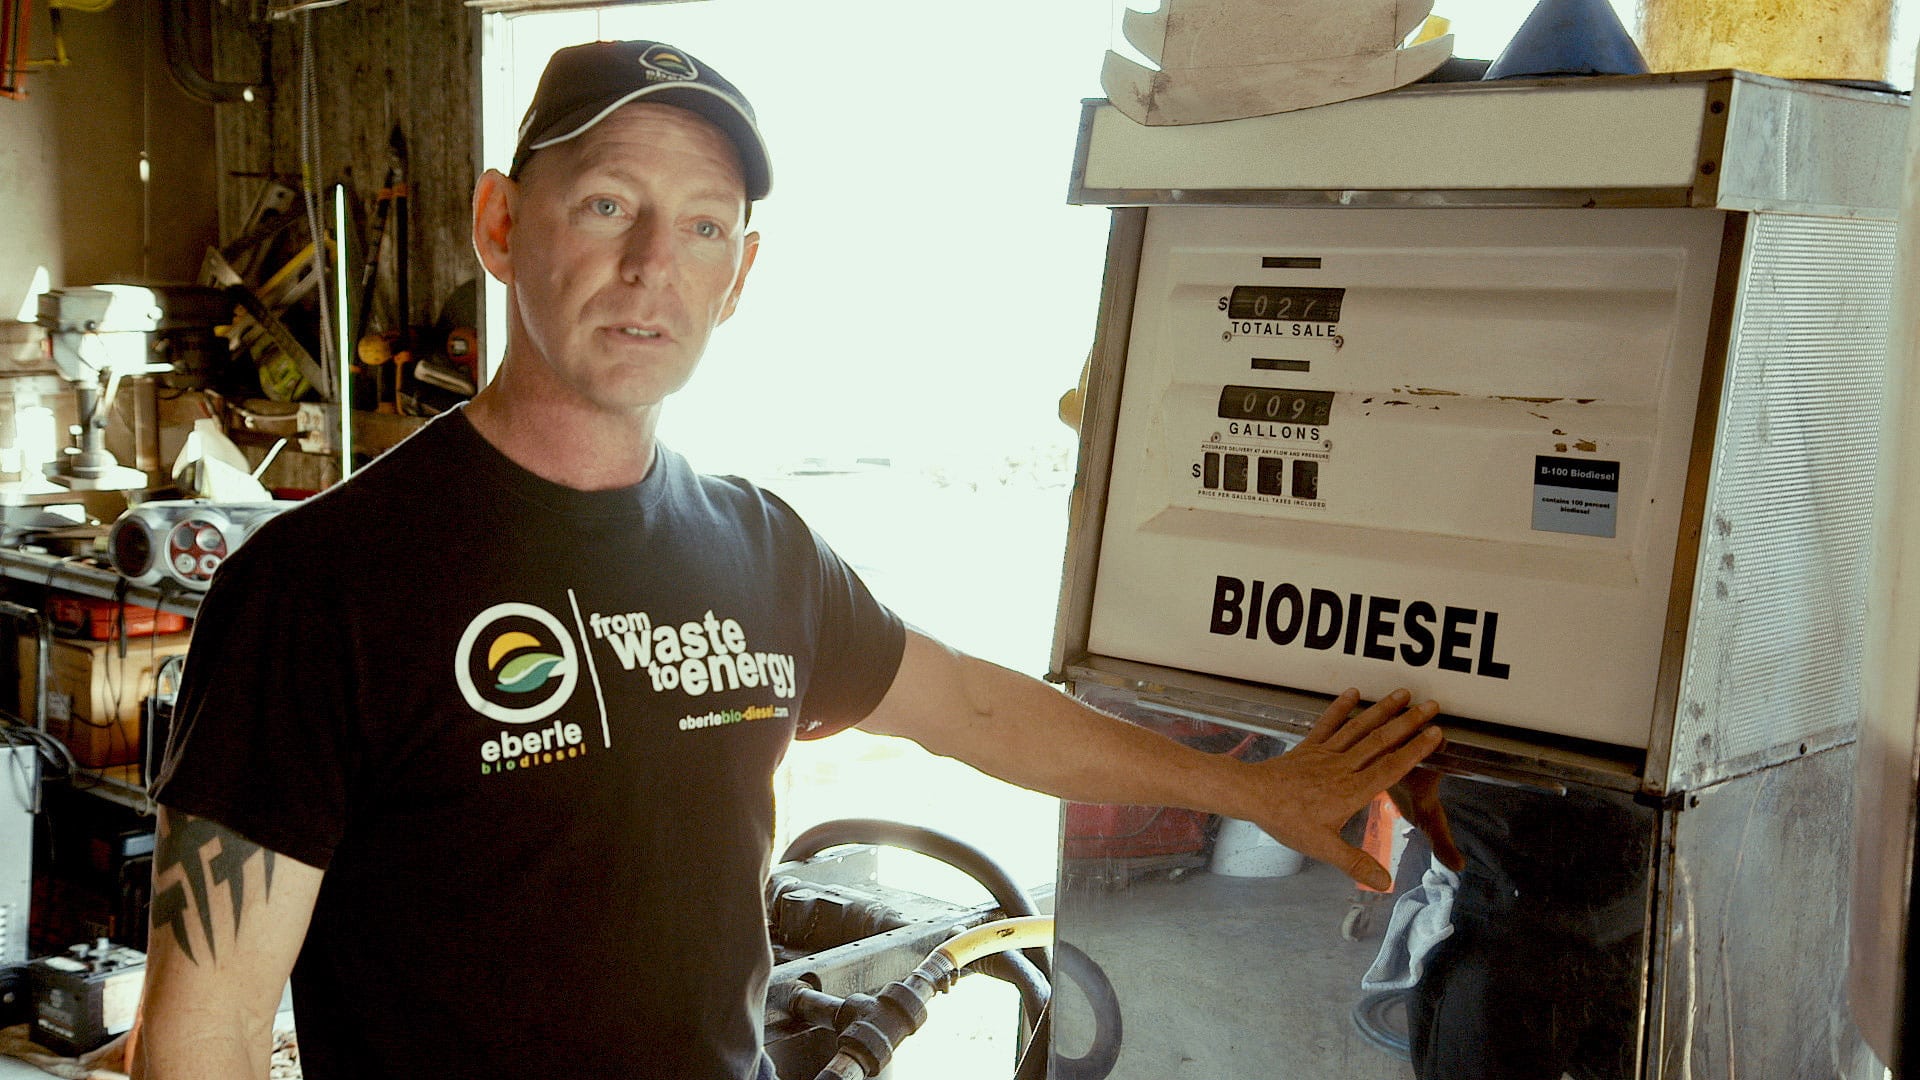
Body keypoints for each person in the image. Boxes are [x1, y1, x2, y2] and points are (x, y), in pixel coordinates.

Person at [131, 39, 1454, 1080]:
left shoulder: (756, 547)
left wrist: (1251, 791)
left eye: (703, 226)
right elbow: (202, 1032)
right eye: (607, 205)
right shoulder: (322, 584)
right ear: (497, 225)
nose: (654, 264)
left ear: (741, 272)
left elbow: (975, 709)